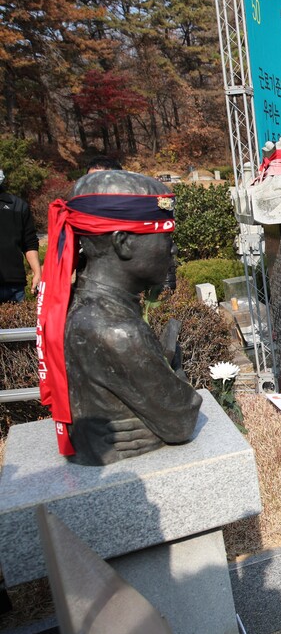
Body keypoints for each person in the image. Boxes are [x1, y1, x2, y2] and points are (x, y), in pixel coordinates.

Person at [36, 170, 201, 465]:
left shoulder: (79, 303)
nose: (173, 249)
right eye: (165, 236)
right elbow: (182, 419)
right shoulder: (118, 330)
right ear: (123, 242)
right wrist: (174, 372)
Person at [0, 170, 41, 303]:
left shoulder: (18, 205)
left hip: (15, 286)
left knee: (19, 324)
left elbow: (29, 243)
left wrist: (37, 272)